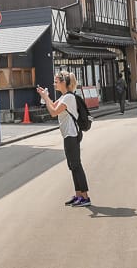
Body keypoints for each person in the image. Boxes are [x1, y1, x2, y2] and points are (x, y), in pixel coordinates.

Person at [36, 71, 90, 206]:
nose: (54, 83)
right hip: (68, 135)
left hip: (72, 134)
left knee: (76, 165)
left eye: (56, 81)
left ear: (63, 83)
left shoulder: (69, 98)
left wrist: (45, 97)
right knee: (72, 166)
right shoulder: (64, 97)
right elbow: (53, 106)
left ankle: (85, 197)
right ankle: (78, 195)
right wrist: (45, 96)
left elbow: (53, 112)